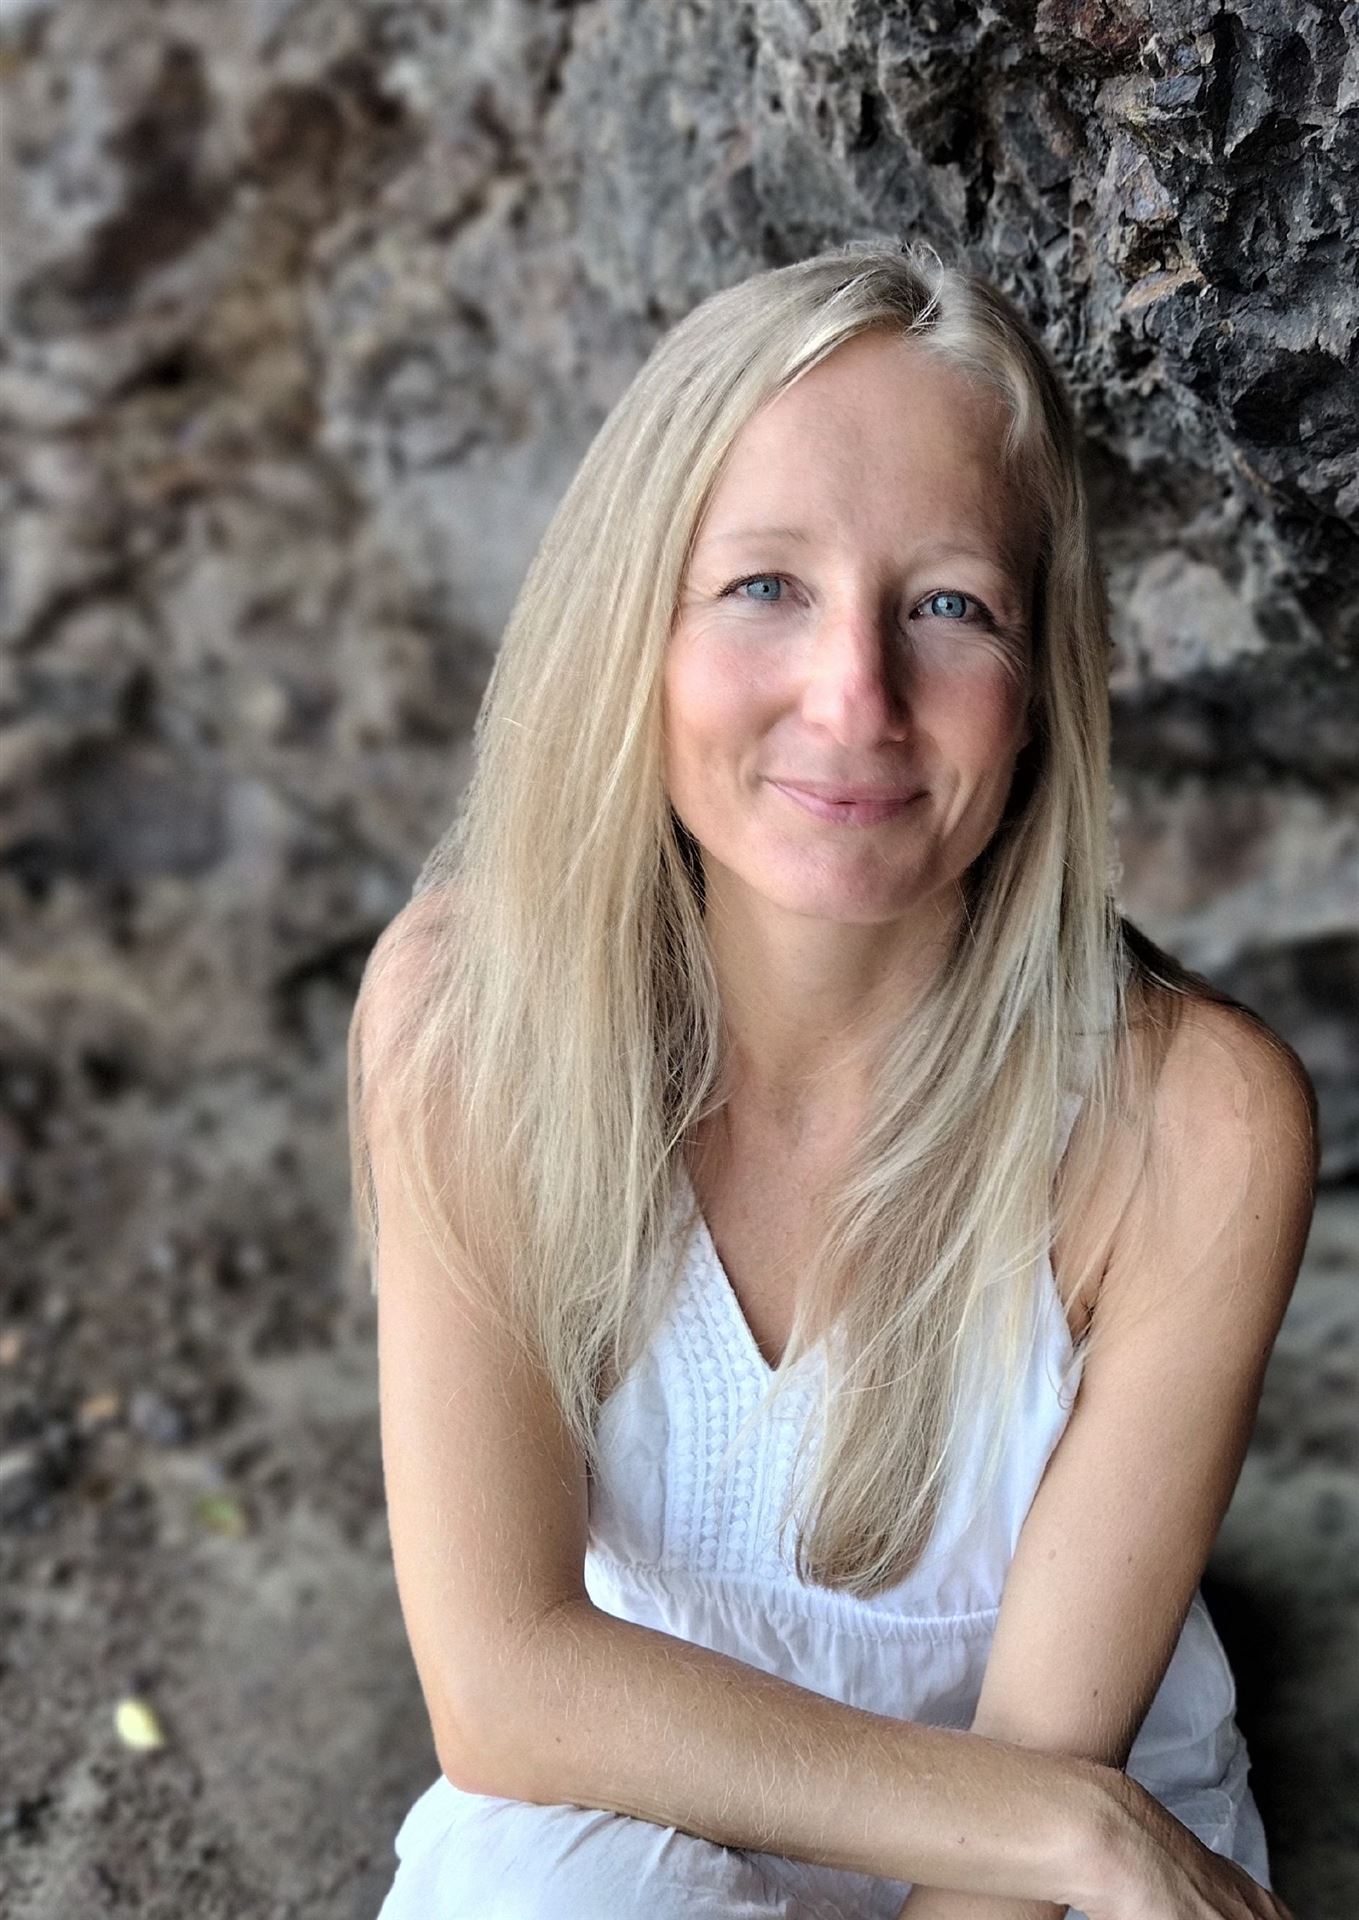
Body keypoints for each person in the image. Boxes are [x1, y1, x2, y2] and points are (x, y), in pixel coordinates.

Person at [348, 241, 1317, 1920]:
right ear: (633, 625)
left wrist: (1088, 1838)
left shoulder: (1195, 1121)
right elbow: (505, 1684)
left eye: (950, 606)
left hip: (1051, 1860)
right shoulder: (471, 1014)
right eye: (764, 587)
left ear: (1038, 691)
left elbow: (1046, 1790)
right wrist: (1071, 1828)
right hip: (647, 1792)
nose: (854, 694)